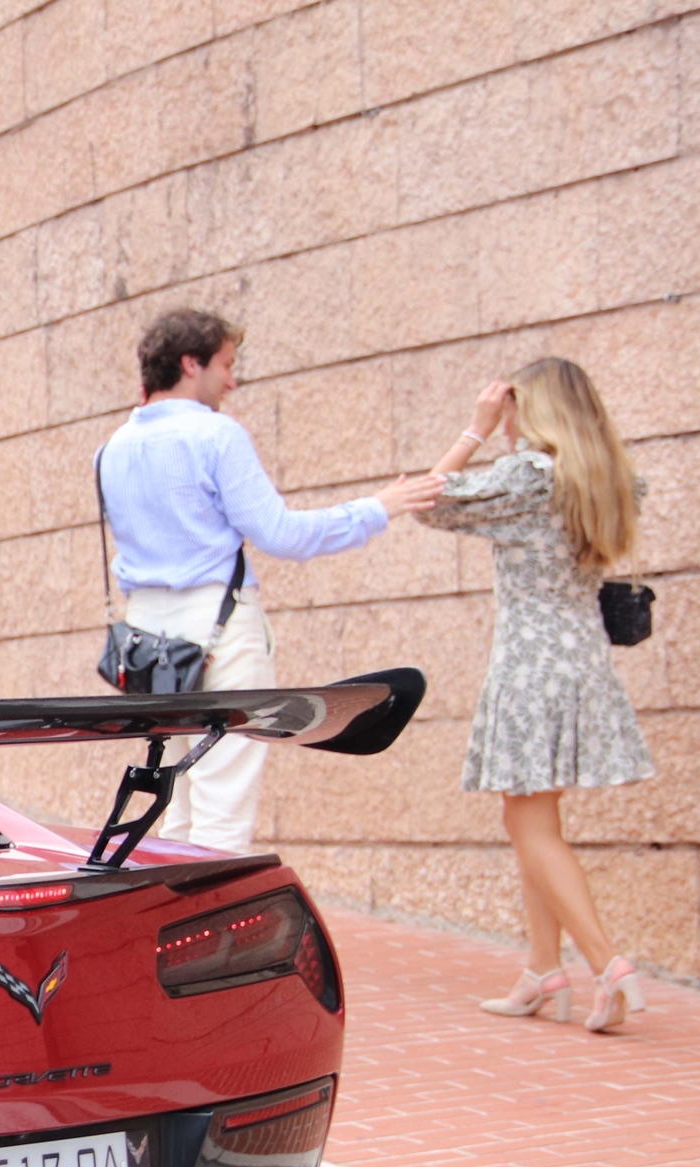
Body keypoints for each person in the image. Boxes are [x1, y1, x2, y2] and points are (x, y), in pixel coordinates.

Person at [97, 309, 444, 852]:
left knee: (180, 792)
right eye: (226, 365)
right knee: (224, 802)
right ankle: (208, 928)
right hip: (217, 629)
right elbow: (282, 535)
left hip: (146, 637)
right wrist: (379, 508)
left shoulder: (111, 448)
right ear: (192, 363)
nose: (232, 380)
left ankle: (167, 923)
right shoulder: (215, 434)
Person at [418, 359, 655, 1032]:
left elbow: (429, 500)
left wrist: (476, 428)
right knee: (537, 822)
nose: (509, 417)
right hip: (582, 659)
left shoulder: (528, 478)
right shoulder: (607, 475)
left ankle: (609, 964)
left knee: (527, 823)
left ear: (535, 410)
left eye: (516, 406)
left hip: (529, 665)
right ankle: (541, 969)